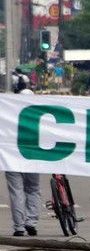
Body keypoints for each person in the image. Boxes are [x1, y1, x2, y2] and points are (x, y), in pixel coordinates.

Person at [6, 86, 41, 236]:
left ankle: (19, 227)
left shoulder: (7, 115)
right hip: (32, 159)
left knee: (16, 192)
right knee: (33, 189)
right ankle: (31, 221)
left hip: (11, 159)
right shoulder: (40, 116)